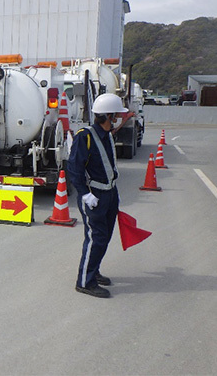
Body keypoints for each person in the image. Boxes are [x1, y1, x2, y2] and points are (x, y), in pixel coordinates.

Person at [67, 93, 128, 298]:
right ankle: (85, 281)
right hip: (94, 196)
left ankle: (93, 270)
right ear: (106, 116)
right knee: (96, 238)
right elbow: (74, 169)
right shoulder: (84, 136)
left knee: (105, 236)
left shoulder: (107, 134)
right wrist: (85, 195)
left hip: (109, 193)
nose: (117, 119)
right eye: (116, 116)